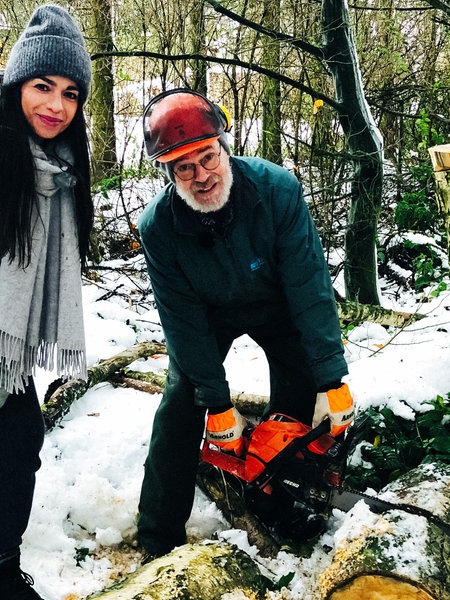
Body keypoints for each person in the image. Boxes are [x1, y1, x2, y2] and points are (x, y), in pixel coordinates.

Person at [137, 88, 354, 558]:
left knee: (299, 394)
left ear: (224, 147)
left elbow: (309, 285)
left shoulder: (277, 190)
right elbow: (182, 320)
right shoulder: (158, 226)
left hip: (277, 303)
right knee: (180, 402)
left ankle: (280, 501)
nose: (201, 176)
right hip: (207, 315)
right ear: (169, 173)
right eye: (184, 167)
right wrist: (215, 402)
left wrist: (331, 377)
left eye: (207, 157)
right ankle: (158, 535)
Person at [0, 5, 92, 598]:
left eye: (70, 93)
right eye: (42, 86)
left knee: (18, 442)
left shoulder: (60, 174)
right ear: (15, 86)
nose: (55, 106)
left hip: (6, 355)